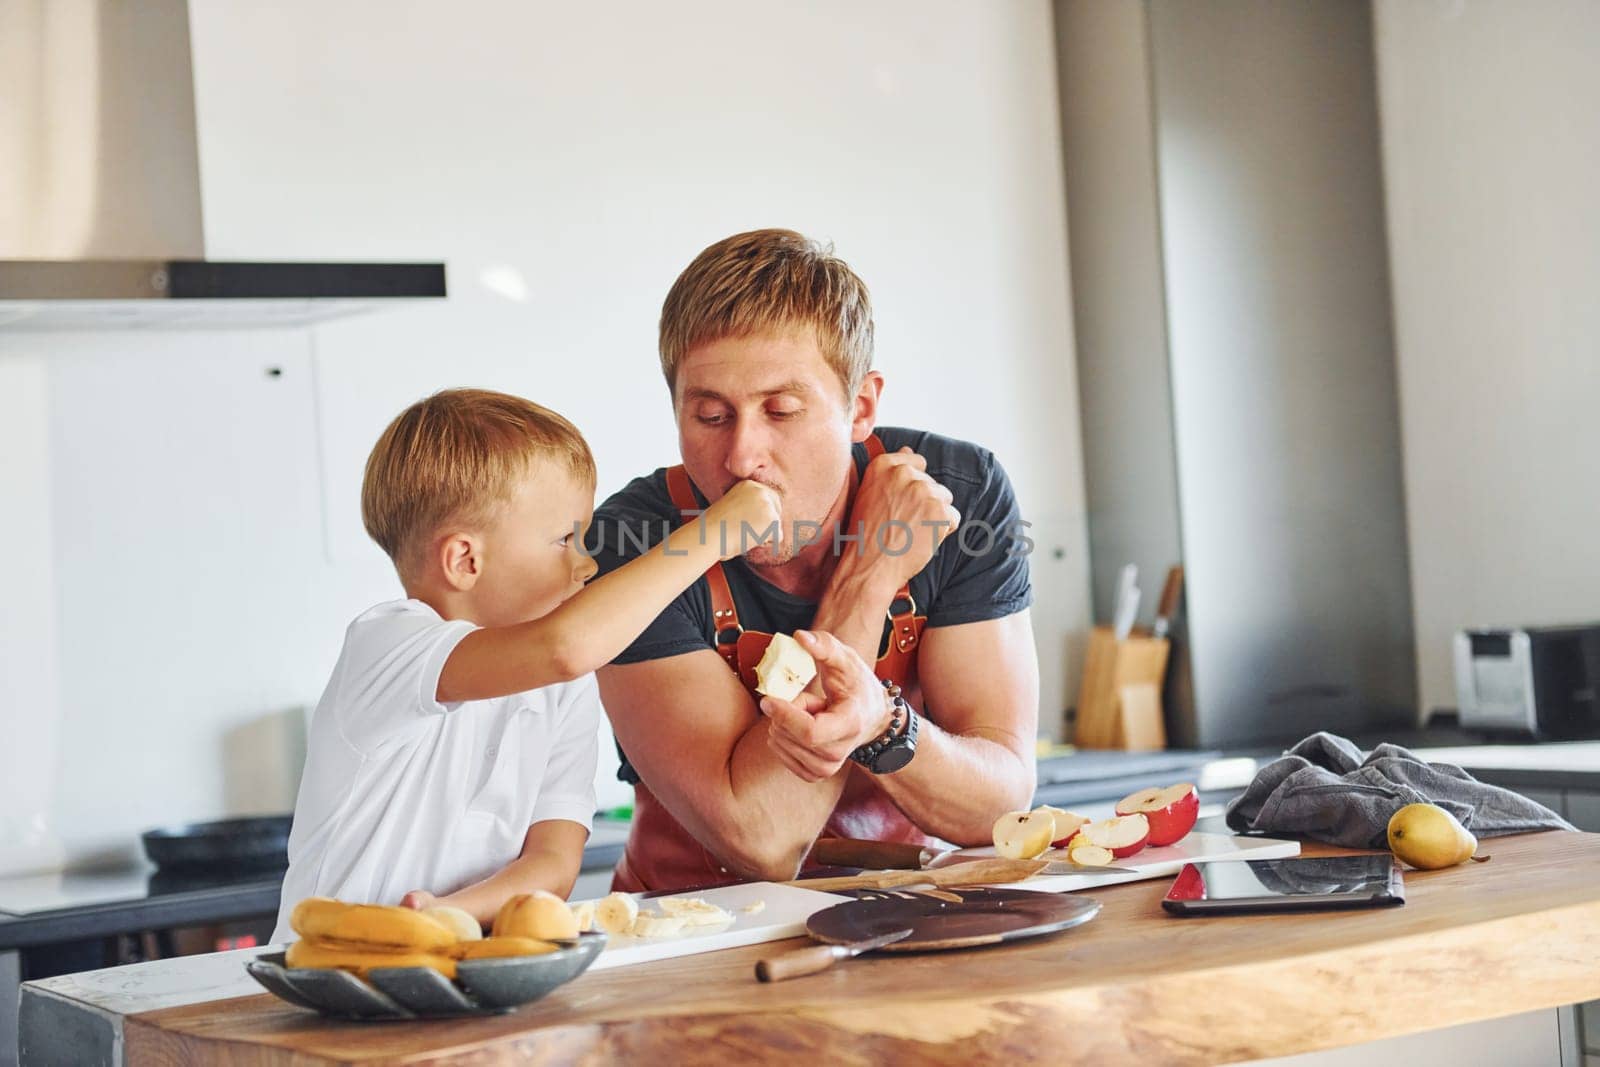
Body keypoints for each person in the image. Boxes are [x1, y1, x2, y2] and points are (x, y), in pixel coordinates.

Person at [589, 229, 1041, 892]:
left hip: (906, 917)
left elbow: (1000, 806)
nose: (742, 457)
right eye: (711, 415)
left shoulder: (958, 495)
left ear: (860, 408)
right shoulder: (633, 541)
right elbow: (764, 839)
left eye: (782, 410)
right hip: (693, 932)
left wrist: (884, 724)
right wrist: (870, 576)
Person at [271, 388, 778, 940]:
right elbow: (564, 646)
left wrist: (441, 914)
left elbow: (553, 866)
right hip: (322, 983)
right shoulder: (389, 641)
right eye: (565, 540)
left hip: (460, 972)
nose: (586, 564)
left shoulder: (566, 688)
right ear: (465, 560)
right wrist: (712, 537)